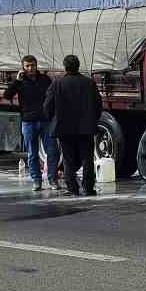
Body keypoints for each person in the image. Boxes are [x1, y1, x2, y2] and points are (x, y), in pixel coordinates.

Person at [44, 53, 103, 196]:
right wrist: (92, 120)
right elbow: (98, 105)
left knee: (68, 159)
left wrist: (53, 119)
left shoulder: (57, 83)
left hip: (64, 127)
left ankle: (72, 188)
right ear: (78, 66)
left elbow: (47, 106)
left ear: (65, 67)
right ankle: (89, 188)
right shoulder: (89, 83)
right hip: (86, 128)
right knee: (87, 158)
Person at [4, 55, 59, 192]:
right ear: (23, 67)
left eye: (32, 65)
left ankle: (52, 179)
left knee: (52, 151)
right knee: (32, 153)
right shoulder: (20, 81)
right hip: (28, 122)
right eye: (27, 66)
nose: (30, 68)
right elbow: (7, 95)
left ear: (36, 65)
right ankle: (36, 181)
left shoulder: (45, 79)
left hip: (46, 120)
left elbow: (53, 96)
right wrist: (17, 81)